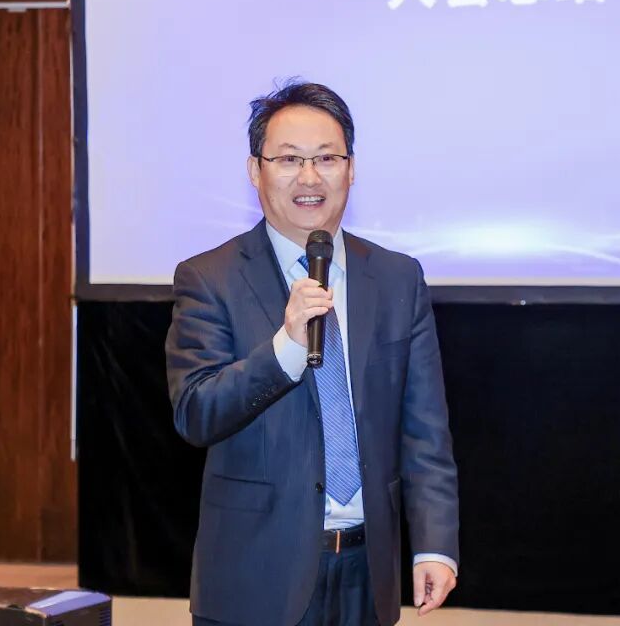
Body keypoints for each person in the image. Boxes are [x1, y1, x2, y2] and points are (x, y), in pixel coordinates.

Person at [165, 81, 460, 626]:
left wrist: (435, 544)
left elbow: (425, 430)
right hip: (255, 576)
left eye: (326, 158)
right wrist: (286, 349)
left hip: (367, 572)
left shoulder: (397, 278)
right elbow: (196, 413)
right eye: (288, 159)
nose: (309, 178)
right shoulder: (209, 278)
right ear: (255, 171)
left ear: (352, 169)